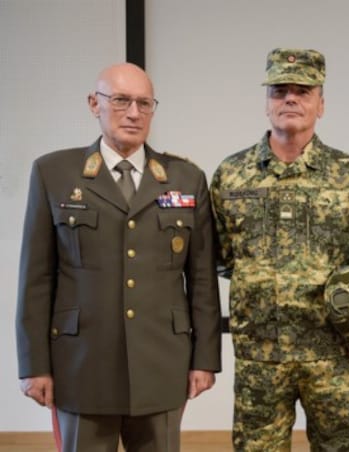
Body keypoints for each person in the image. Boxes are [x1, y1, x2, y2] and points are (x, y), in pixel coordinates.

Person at [210, 48, 349, 451]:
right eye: (279, 91)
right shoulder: (231, 174)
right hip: (261, 358)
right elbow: (221, 258)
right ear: (266, 103)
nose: (290, 99)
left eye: (303, 90)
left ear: (321, 104)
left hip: (333, 357)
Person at [15, 62, 222, 452]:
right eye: (121, 100)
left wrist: (205, 359)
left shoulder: (184, 177)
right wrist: (34, 365)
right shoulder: (54, 172)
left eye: (144, 103)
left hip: (161, 362)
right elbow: (36, 278)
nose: (133, 113)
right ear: (95, 103)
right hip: (81, 364)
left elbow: (201, 279)